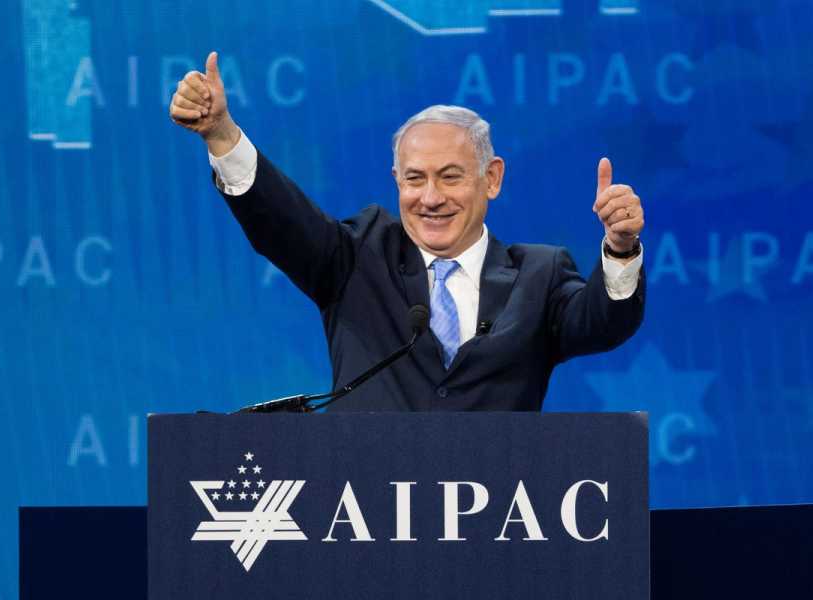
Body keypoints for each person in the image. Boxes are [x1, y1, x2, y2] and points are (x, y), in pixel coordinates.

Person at [169, 52, 646, 411]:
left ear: (492, 178)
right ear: (397, 181)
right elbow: (282, 222)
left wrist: (620, 248)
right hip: (361, 519)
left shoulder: (539, 274)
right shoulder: (358, 256)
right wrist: (223, 137)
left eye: (451, 176)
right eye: (415, 179)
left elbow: (604, 323)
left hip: (497, 523)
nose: (431, 197)